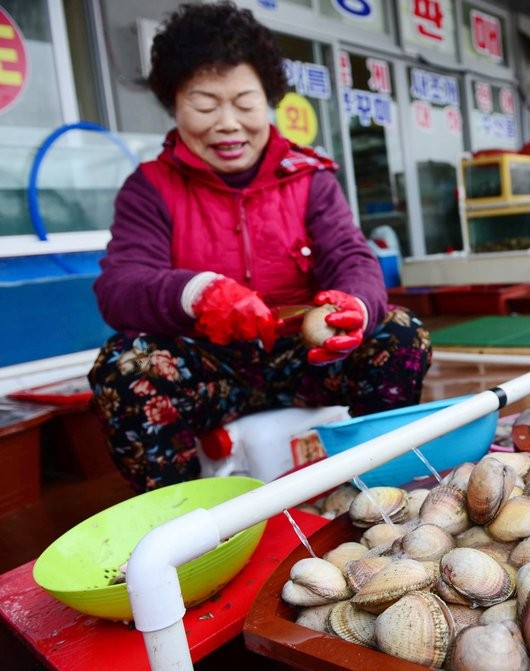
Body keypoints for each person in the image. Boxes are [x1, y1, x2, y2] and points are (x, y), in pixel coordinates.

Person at [88, 1, 432, 493]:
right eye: (205, 105)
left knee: (400, 333)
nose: (228, 123)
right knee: (126, 365)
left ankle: (379, 493)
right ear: (174, 103)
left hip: (305, 359)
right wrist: (197, 292)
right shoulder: (149, 188)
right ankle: (180, 519)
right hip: (211, 370)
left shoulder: (309, 177)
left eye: (245, 103)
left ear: (268, 99)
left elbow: (351, 257)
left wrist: (353, 306)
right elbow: (120, 286)